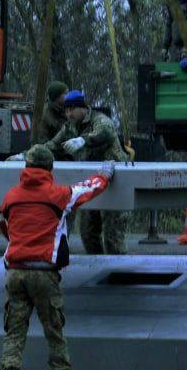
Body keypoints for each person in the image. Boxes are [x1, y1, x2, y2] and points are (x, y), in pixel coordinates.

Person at [0, 144, 114, 370]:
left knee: (14, 332)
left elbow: (5, 227)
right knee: (54, 332)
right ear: (50, 169)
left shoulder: (11, 197)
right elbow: (88, 189)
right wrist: (105, 174)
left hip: (15, 273)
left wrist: (19, 246)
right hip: (43, 275)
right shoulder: (58, 195)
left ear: (26, 168)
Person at [48, 90, 130, 255]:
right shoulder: (70, 126)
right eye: (66, 110)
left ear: (83, 108)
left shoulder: (100, 121)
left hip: (114, 182)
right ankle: (97, 269)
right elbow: (53, 145)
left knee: (112, 237)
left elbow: (104, 134)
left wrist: (83, 140)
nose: (68, 113)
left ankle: (119, 274)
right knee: (87, 233)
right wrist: (27, 155)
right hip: (91, 182)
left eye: (71, 109)